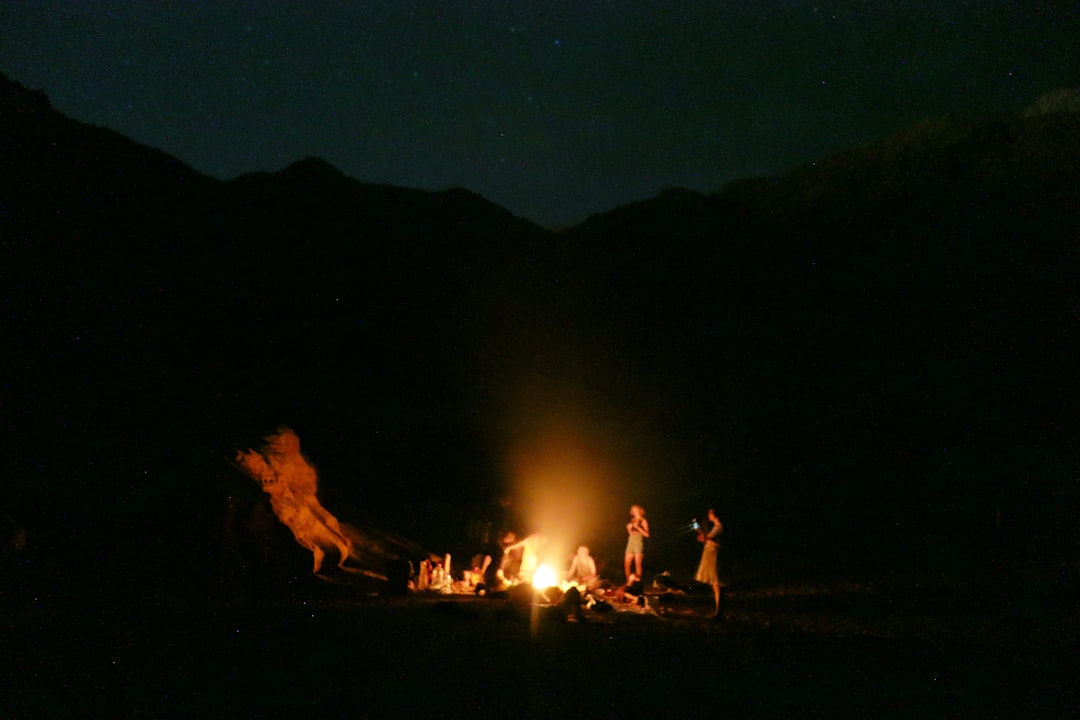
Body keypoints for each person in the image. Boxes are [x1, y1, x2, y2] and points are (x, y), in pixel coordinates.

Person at [695, 507, 725, 619]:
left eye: (710, 513)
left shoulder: (719, 527)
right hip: (712, 555)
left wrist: (705, 537)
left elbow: (717, 542)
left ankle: (719, 612)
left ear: (714, 515)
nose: (708, 515)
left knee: (717, 584)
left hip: (714, 556)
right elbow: (709, 538)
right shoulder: (717, 527)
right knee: (715, 584)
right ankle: (718, 611)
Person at [624, 504, 650, 583]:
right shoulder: (632, 520)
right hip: (631, 541)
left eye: (635, 510)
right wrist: (628, 529)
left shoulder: (643, 520)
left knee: (637, 564)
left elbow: (647, 535)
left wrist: (638, 527)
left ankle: (637, 583)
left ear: (639, 511)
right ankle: (629, 583)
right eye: (633, 510)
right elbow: (631, 533)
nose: (634, 512)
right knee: (626, 564)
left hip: (638, 542)